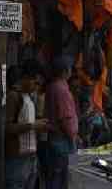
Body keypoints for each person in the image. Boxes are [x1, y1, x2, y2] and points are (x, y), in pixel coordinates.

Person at [5, 61, 49, 189]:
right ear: (25, 78)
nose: (37, 87)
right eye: (35, 82)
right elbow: (7, 128)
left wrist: (39, 126)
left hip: (30, 158)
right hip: (17, 159)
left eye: (39, 84)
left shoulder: (29, 98)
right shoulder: (13, 96)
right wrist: (32, 126)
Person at [44, 56, 79, 189]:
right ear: (65, 71)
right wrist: (73, 135)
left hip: (54, 138)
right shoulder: (62, 90)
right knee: (61, 178)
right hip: (62, 140)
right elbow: (65, 118)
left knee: (55, 176)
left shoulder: (52, 87)